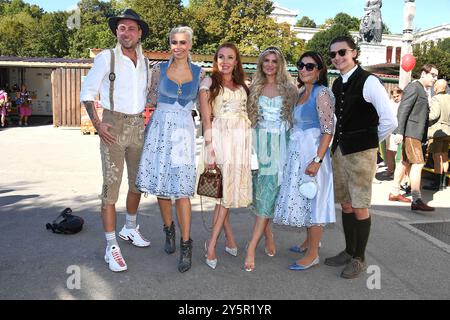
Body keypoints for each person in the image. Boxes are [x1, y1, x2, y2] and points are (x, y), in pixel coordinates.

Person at [80, 9, 151, 272]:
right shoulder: (106, 58)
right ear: (116, 32)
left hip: (138, 125)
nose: (126, 33)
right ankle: (111, 246)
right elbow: (86, 93)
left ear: (139, 32)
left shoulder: (144, 62)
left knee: (137, 183)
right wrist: (98, 124)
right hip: (114, 124)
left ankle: (130, 228)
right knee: (111, 188)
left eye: (131, 28)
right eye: (122, 28)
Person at [324, 36, 397, 279]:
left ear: (353, 53)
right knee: (345, 203)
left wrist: (367, 141)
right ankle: (349, 250)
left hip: (361, 153)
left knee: (360, 204)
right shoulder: (337, 84)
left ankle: (360, 258)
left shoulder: (369, 81)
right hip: (340, 151)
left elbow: (390, 120)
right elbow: (336, 120)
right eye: (333, 54)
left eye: (342, 52)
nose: (337, 57)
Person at [135, 26, 205, 273]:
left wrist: (212, 140)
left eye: (183, 42)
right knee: (162, 187)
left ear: (190, 45)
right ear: (170, 44)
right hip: (160, 129)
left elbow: (206, 109)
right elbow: (147, 100)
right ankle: (168, 230)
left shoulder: (200, 73)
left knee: (183, 190)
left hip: (184, 132)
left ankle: (186, 243)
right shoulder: (158, 70)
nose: (178, 46)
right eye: (174, 42)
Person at [273, 51, 335, 271]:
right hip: (299, 153)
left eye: (310, 66)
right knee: (304, 197)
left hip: (313, 154)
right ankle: (309, 241)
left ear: (319, 71)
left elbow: (328, 130)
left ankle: (313, 253)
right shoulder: (301, 93)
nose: (303, 69)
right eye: (301, 65)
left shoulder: (322, 93)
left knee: (314, 201)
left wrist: (317, 160)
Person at [199, 42, 252, 270]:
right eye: (221, 57)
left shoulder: (243, 85)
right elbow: (206, 119)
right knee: (225, 193)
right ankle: (211, 245)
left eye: (230, 57)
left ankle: (228, 238)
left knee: (226, 194)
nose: (225, 61)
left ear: (236, 61)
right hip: (220, 140)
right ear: (216, 60)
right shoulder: (209, 82)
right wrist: (210, 148)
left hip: (241, 142)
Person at [244, 47, 297, 272]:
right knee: (259, 193)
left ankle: (250, 247)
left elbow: (298, 119)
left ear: (280, 64)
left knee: (268, 194)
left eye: (274, 61)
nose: (270, 64)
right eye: (266, 60)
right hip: (257, 145)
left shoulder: (290, 89)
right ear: (261, 63)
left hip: (280, 147)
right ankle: (269, 234)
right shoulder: (253, 87)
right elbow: (247, 117)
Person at [390, 64, 439, 211]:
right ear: (423, 73)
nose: (435, 79)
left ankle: (394, 192)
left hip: (414, 133)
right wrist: (399, 131)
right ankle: (416, 199)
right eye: (433, 75)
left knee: (404, 162)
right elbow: (403, 109)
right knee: (418, 164)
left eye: (436, 76)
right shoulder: (414, 87)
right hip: (412, 133)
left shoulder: (422, 90)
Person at [423, 79, 450, 191]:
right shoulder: (449, 98)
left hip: (437, 131)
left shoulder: (436, 98)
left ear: (437, 87)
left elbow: (434, 115)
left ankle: (437, 183)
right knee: (444, 157)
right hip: (448, 131)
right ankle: (443, 183)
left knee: (436, 157)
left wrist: (424, 117)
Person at [384, 87, 404, 177]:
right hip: (390, 130)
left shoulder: (403, 104)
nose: (396, 98)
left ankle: (397, 172)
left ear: (401, 94)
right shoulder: (390, 103)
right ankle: (390, 169)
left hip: (398, 131)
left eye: (397, 96)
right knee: (389, 151)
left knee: (397, 153)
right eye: (394, 96)